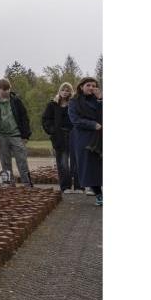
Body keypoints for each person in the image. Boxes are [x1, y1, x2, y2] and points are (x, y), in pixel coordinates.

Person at [0, 78, 33, 187]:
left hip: (16, 135)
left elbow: (24, 117)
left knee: (22, 161)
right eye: (4, 89)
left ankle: (28, 185)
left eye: (8, 89)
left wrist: (26, 135)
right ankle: (7, 185)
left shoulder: (16, 100)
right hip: (1, 137)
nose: (6, 92)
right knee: (5, 163)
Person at [68, 77, 103, 205]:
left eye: (94, 86)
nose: (91, 88)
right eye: (88, 85)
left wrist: (100, 100)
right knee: (89, 168)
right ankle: (99, 195)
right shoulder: (74, 101)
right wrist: (92, 124)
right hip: (84, 138)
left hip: (101, 136)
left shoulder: (98, 99)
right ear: (81, 86)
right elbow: (75, 120)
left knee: (101, 166)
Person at [42, 82, 78, 193]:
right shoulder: (52, 104)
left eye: (67, 90)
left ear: (70, 92)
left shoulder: (74, 104)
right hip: (59, 136)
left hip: (74, 135)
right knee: (63, 163)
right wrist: (52, 131)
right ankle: (65, 187)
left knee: (76, 162)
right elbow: (45, 120)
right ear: (59, 91)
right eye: (63, 90)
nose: (65, 92)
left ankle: (79, 187)